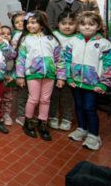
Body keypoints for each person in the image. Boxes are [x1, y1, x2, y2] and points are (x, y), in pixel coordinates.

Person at [66, 12, 111, 150]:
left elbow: (110, 65)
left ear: (98, 26)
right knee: (79, 106)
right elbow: (66, 60)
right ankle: (82, 129)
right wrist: (68, 77)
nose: (87, 27)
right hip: (76, 82)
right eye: (83, 24)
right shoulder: (73, 42)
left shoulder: (104, 44)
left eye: (91, 24)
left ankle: (94, 136)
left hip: (94, 85)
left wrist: (104, 83)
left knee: (89, 108)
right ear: (78, 26)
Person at [15, 11, 66, 141]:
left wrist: (61, 77)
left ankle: (43, 123)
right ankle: (28, 121)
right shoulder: (25, 39)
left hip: (49, 74)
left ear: (42, 24)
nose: (30, 25)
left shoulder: (51, 39)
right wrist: (20, 76)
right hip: (32, 74)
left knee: (45, 99)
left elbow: (59, 58)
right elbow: (20, 58)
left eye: (34, 22)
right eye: (28, 23)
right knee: (33, 99)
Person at [48, 9, 78, 131]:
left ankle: (67, 119)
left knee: (68, 97)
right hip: (55, 72)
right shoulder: (53, 35)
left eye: (71, 23)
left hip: (71, 74)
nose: (67, 26)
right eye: (63, 23)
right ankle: (53, 117)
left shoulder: (78, 38)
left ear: (77, 24)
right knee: (53, 96)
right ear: (58, 23)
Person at [1, 25, 16, 126]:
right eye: (3, 33)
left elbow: (18, 64)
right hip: (0, 77)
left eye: (8, 34)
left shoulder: (14, 49)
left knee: (8, 98)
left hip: (10, 77)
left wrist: (13, 76)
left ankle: (6, 114)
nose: (6, 36)